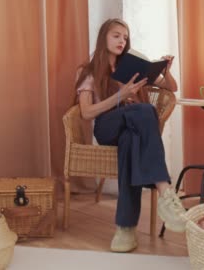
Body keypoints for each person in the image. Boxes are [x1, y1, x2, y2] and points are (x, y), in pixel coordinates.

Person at [74, 18, 186, 253]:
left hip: (130, 128)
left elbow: (171, 87)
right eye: (116, 35)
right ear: (103, 37)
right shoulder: (90, 71)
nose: (121, 40)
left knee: (131, 141)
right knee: (145, 110)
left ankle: (125, 229)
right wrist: (120, 95)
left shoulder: (133, 67)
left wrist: (166, 70)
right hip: (107, 126)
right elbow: (86, 113)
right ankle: (164, 189)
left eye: (124, 37)